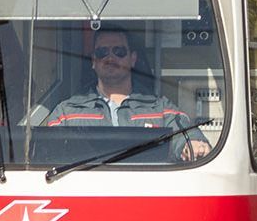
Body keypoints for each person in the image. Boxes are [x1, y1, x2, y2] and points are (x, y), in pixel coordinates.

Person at [44, 24, 210, 160]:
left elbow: (186, 135)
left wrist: (192, 145)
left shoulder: (160, 108)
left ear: (133, 59)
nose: (110, 58)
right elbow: (45, 151)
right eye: (102, 52)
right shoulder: (65, 112)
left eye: (119, 52)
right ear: (93, 61)